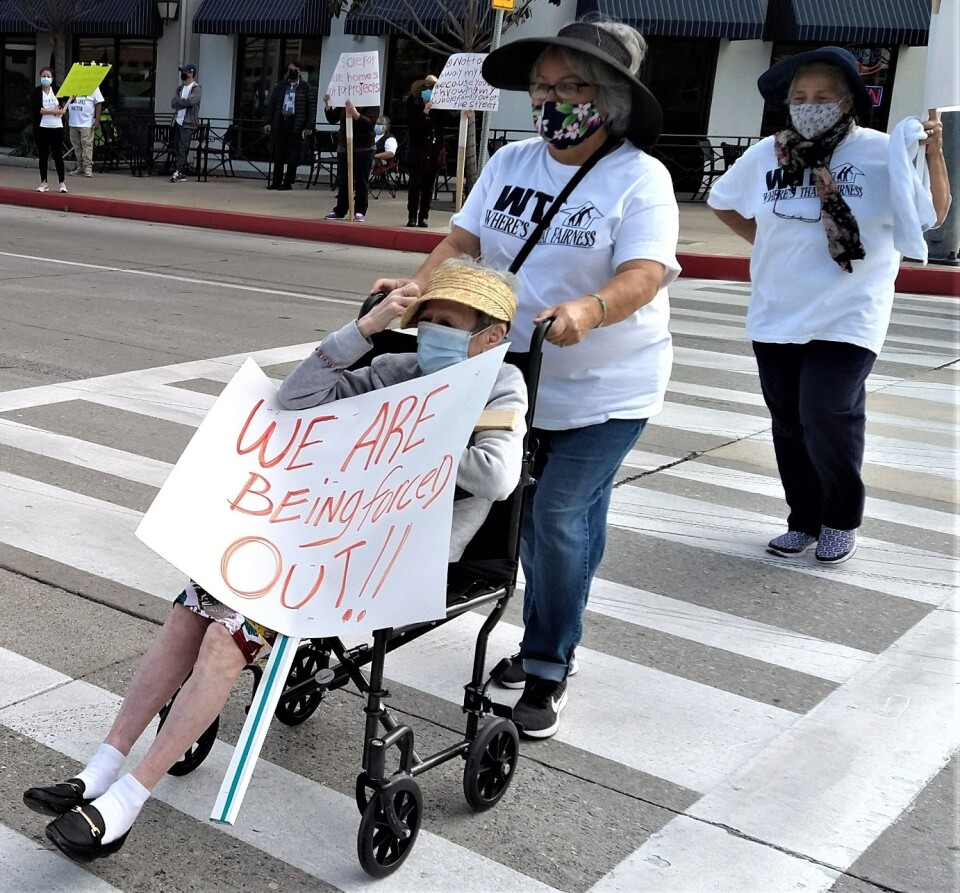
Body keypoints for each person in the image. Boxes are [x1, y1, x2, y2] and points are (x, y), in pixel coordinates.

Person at [23, 258, 526, 864]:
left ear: (491, 335)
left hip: (399, 553)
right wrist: (363, 331)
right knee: (193, 605)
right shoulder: (400, 368)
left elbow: (497, 476)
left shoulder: (502, 384)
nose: (435, 333)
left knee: (226, 638)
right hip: (328, 531)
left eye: (451, 322)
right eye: (430, 321)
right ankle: (101, 767)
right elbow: (297, 398)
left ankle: (129, 798)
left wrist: (402, 455)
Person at [372, 21, 679, 739]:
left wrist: (591, 307)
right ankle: (559, 631)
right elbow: (464, 242)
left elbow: (646, 272)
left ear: (608, 99)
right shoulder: (511, 162)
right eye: (543, 85)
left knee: (556, 518)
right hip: (508, 377)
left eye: (570, 85)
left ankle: (546, 663)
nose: (551, 98)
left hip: (606, 387)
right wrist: (415, 293)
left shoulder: (641, 178)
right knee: (548, 518)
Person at [708, 46, 951, 565]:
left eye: (822, 96)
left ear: (847, 103)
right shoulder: (768, 153)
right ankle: (804, 519)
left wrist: (933, 155)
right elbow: (723, 202)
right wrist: (768, 243)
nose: (810, 104)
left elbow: (932, 213)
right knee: (789, 423)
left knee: (828, 413)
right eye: (800, 97)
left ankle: (840, 518)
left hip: (849, 312)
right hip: (776, 312)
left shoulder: (881, 152)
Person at [323, 93, 379, 222]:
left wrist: (355, 113)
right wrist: (327, 104)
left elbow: (370, 122)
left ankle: (360, 210)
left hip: (364, 146)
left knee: (361, 180)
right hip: (345, 145)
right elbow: (333, 118)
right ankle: (340, 209)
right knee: (344, 180)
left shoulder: (371, 100)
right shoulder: (346, 100)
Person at [263, 60, 318, 191]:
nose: (292, 72)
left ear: (300, 72)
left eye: (295, 70)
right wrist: (267, 122)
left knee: (293, 154)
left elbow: (311, 108)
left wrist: (308, 126)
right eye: (290, 70)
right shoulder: (281, 86)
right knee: (279, 153)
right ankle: (276, 181)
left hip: (296, 123)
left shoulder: (305, 87)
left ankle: (287, 182)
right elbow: (272, 104)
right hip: (281, 121)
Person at [404, 75, 445, 227]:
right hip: (417, 154)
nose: (428, 91)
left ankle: (423, 216)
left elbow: (452, 118)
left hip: (433, 154)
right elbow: (412, 125)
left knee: (428, 188)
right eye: (426, 88)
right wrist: (424, 112)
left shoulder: (440, 110)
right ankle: (412, 216)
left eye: (431, 88)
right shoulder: (414, 108)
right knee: (415, 186)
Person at [32, 68, 68, 194]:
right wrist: (53, 111)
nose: (46, 78)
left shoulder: (57, 90)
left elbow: (66, 101)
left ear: (52, 78)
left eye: (48, 76)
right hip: (42, 127)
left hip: (56, 127)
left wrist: (62, 110)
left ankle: (62, 183)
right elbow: (38, 109)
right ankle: (44, 182)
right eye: (43, 76)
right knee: (43, 155)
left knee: (58, 155)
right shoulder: (36, 92)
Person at [169, 63, 201, 183]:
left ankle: (178, 170)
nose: (183, 74)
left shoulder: (196, 88)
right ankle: (181, 170)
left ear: (191, 74)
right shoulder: (180, 89)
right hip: (178, 121)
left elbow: (191, 101)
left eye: (185, 72)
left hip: (188, 123)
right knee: (177, 147)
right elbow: (173, 103)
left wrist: (180, 102)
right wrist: (183, 102)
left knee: (183, 147)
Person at [67, 83, 103, 178]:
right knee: (77, 146)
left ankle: (88, 168)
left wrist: (97, 119)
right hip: (74, 122)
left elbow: (98, 103)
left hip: (86, 122)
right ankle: (80, 166)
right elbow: (66, 101)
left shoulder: (93, 87)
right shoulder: (72, 86)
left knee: (87, 145)